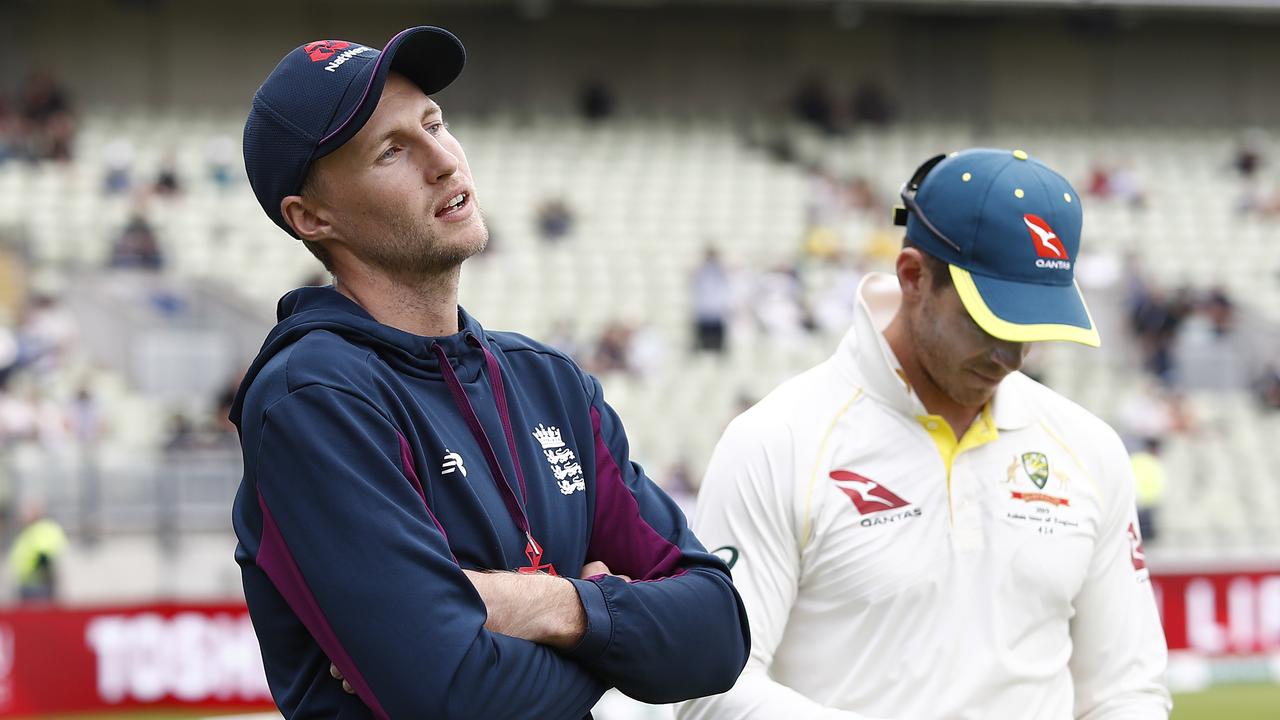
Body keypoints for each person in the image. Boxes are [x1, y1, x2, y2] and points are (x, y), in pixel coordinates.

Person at [230, 27, 748, 719]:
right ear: (312, 216)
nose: (443, 161)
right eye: (393, 150)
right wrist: (617, 643)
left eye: (436, 124)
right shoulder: (312, 397)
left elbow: (717, 631)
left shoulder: (551, 383)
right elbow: (452, 695)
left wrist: (551, 606)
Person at [679, 149, 1170, 719]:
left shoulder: (1089, 447)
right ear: (912, 275)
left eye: (1032, 325)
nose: (1011, 355)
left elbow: (1125, 690)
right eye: (991, 319)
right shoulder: (777, 442)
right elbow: (710, 688)